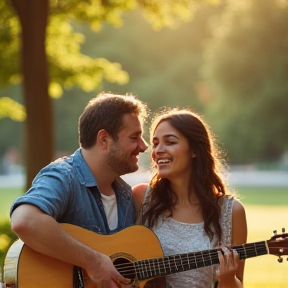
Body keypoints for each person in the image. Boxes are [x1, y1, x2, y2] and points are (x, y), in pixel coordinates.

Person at [10, 92, 149, 288]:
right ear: (104, 139)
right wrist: (93, 262)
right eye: (134, 137)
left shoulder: (126, 196)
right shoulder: (64, 176)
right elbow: (25, 221)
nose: (144, 146)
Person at [133, 108, 247, 288]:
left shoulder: (231, 212)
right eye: (155, 144)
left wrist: (227, 279)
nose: (158, 151)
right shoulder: (142, 198)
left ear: (194, 150)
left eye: (169, 142)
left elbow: (237, 283)